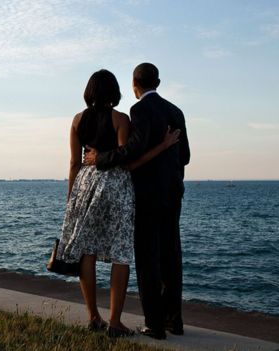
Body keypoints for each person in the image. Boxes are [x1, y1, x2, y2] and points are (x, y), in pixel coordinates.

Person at [55, 69, 180, 338]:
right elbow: (129, 162)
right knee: (120, 252)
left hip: (84, 186)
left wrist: (71, 199)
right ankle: (115, 321)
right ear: (115, 92)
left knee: (86, 250)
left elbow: (74, 163)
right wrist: (163, 145)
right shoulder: (120, 119)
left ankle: (93, 317)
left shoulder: (77, 121)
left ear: (89, 91)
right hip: (116, 187)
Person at [84, 63, 191, 340]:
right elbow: (186, 156)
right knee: (171, 256)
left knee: (147, 258)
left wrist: (100, 158)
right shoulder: (176, 111)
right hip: (173, 192)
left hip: (147, 194)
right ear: (159, 81)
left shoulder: (140, 110)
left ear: (135, 84)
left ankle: (155, 325)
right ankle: (174, 321)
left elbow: (132, 151)